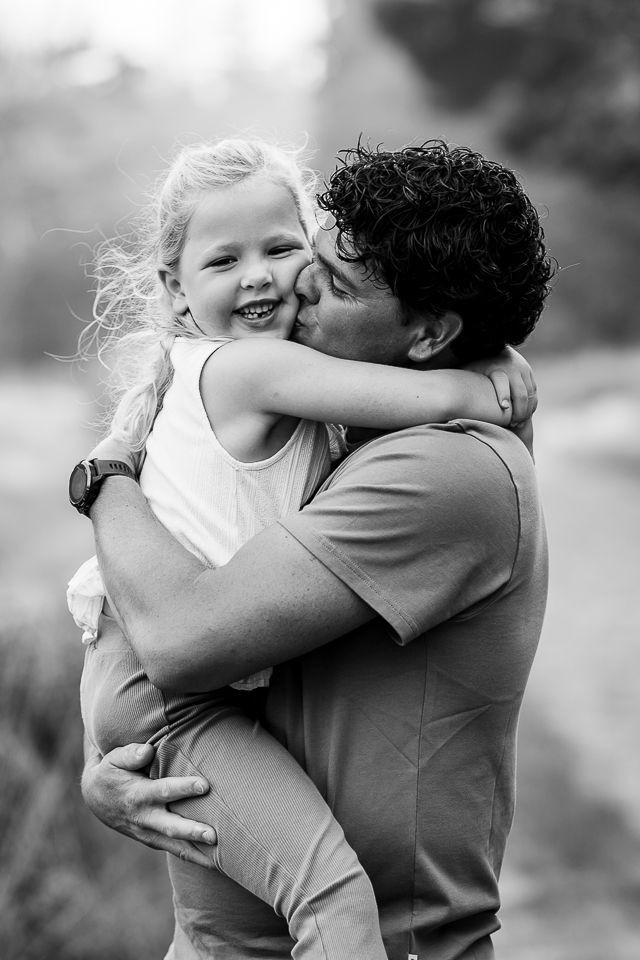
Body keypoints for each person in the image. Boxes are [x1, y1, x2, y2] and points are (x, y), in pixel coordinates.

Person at [79, 139, 552, 960]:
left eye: (329, 280)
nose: (289, 285)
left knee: (332, 901)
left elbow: (181, 642)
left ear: (428, 336)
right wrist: (111, 759)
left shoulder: (443, 469)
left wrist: (103, 477)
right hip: (232, 938)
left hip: (377, 941)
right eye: (316, 257)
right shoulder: (327, 424)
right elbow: (153, 645)